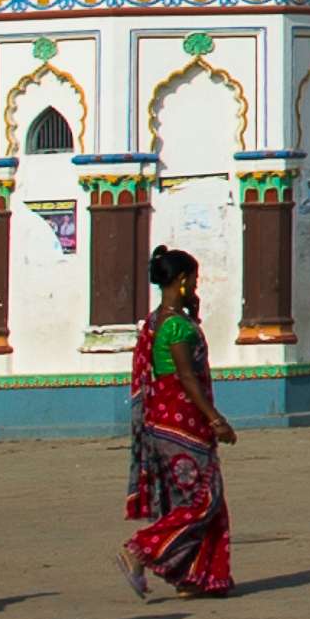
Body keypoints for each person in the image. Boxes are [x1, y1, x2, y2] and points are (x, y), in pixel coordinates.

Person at [122, 246, 242, 596]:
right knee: (203, 500)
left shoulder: (160, 319)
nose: (196, 284)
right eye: (194, 278)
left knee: (195, 500)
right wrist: (216, 419)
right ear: (182, 280)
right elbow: (187, 378)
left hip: (162, 422)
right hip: (183, 424)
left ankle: (196, 577)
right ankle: (140, 549)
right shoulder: (176, 327)